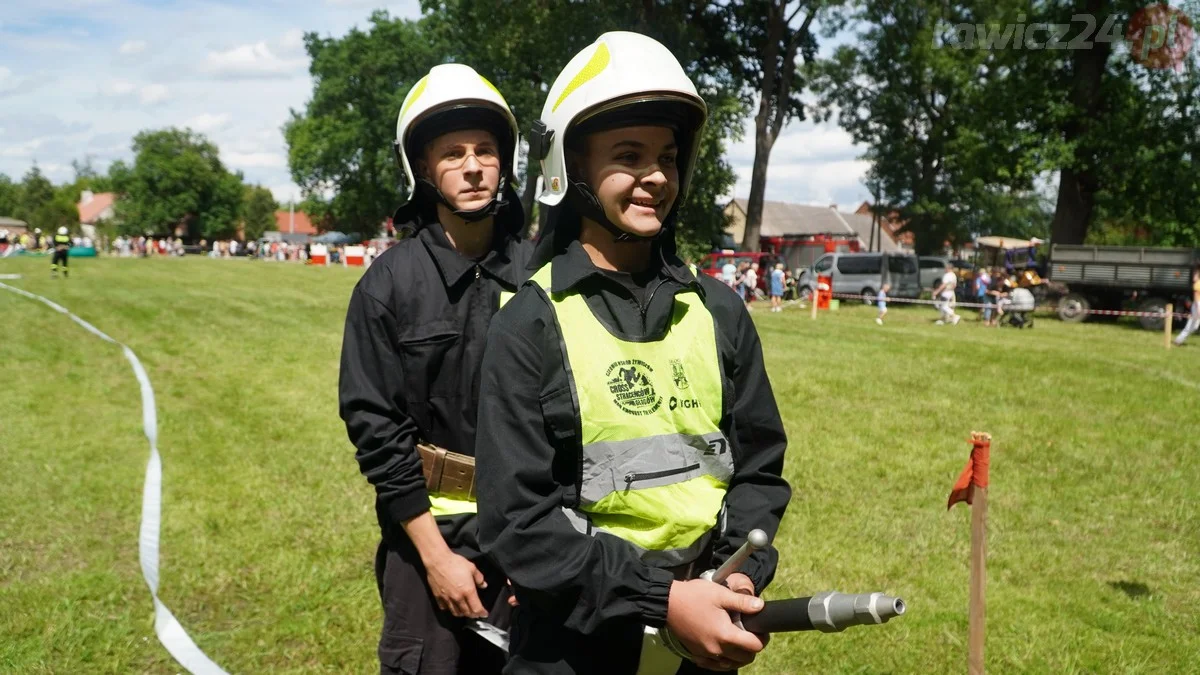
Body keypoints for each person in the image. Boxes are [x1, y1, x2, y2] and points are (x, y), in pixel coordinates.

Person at [474, 31, 791, 675]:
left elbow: (759, 471)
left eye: (667, 157)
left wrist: (740, 573)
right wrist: (663, 597)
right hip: (573, 642)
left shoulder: (719, 312)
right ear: (572, 170)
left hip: (702, 633)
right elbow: (518, 523)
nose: (654, 177)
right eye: (628, 155)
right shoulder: (529, 324)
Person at [338, 63, 531, 675]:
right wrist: (435, 558)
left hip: (531, 535)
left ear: (505, 163)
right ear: (424, 171)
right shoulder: (386, 287)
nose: (472, 166)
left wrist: (548, 551)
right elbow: (378, 433)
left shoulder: (543, 278)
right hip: (427, 544)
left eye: (485, 151)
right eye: (452, 154)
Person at [1173, 265, 1200, 346]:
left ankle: (1178, 340)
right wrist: (1198, 308)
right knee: (1192, 325)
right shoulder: (1197, 284)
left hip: (1197, 305)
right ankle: (1178, 340)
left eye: (1195, 275)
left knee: (1194, 326)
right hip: (1197, 305)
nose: (1193, 277)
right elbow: (1196, 297)